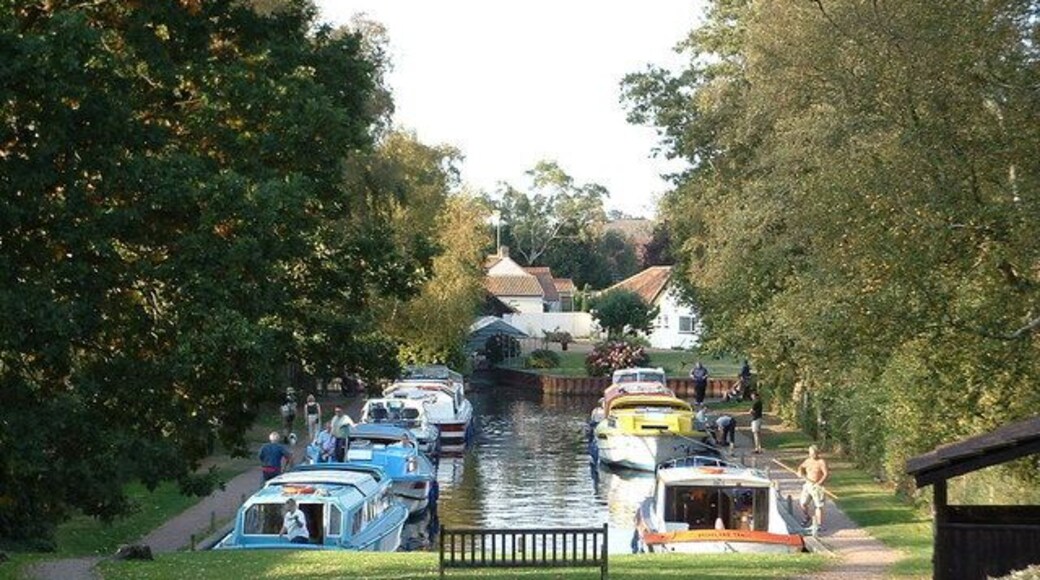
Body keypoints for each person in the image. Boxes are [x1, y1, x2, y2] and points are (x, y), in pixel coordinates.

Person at [797, 445, 829, 529]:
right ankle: (807, 517)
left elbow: (826, 474)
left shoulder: (821, 462)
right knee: (803, 503)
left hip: (817, 486)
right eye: (810, 453)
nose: (811, 455)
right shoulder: (807, 461)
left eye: (813, 453)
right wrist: (800, 472)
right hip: (808, 485)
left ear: (817, 453)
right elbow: (801, 467)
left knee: (818, 506)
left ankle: (818, 525)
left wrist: (819, 483)